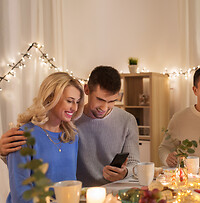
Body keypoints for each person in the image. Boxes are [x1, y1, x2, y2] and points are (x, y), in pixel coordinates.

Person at [1, 66, 140, 187]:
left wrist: (125, 172)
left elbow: (134, 163)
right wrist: (3, 153)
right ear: (86, 89)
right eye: (100, 99)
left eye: (112, 101)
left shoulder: (127, 120)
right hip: (76, 195)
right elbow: (38, 159)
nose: (104, 108)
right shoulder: (68, 120)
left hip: (112, 191)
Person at [4, 72, 85, 203]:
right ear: (51, 97)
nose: (74, 108)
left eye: (77, 102)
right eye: (69, 100)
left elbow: (71, 182)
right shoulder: (23, 135)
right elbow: (21, 196)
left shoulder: (72, 136)